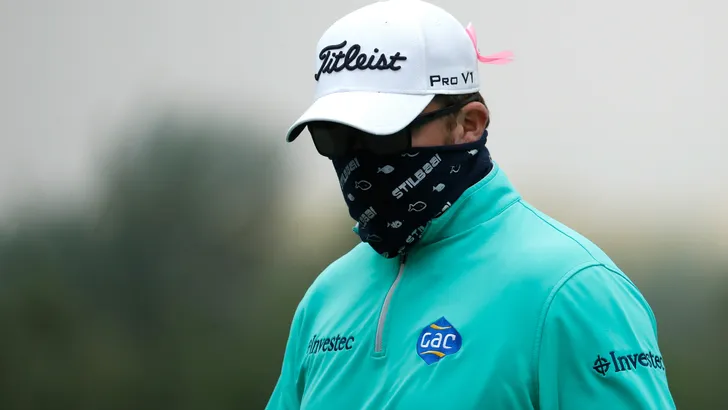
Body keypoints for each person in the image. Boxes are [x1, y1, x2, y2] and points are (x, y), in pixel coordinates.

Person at [266, 0, 676, 408]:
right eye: (335, 136)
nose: (357, 157)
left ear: (469, 124)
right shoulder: (325, 297)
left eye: (382, 134)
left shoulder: (572, 289)